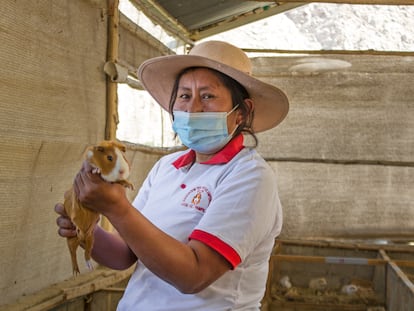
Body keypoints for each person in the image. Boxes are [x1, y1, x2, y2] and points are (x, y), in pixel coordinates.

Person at [55, 40, 289, 310]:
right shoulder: (167, 167)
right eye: (185, 96)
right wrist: (87, 230)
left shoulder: (249, 176)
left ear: (241, 113)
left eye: (208, 96)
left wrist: (116, 208)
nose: (193, 109)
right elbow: (125, 254)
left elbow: (194, 275)